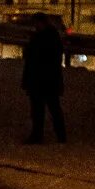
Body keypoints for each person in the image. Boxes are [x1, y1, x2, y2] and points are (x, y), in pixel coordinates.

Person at [21, 15, 67, 144]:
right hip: (48, 79)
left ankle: (39, 135)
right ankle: (59, 135)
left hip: (41, 79)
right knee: (51, 108)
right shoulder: (52, 37)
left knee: (40, 109)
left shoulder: (42, 37)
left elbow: (34, 57)